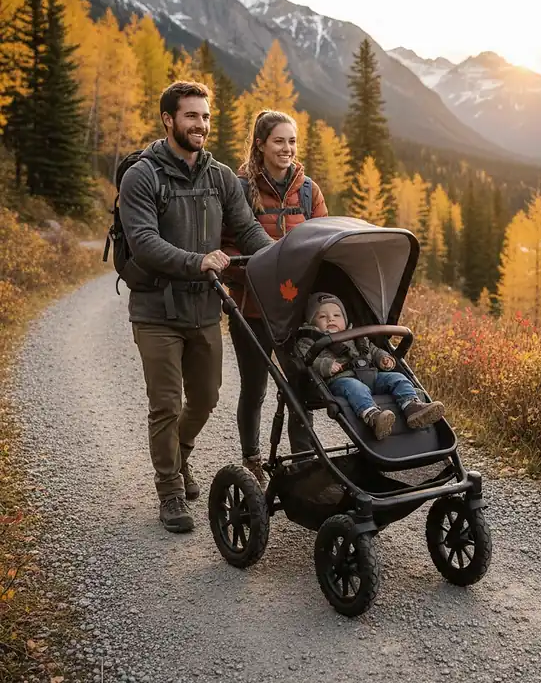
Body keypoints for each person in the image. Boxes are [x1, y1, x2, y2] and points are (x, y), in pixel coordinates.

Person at [119, 81, 273, 534]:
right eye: (192, 116)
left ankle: (180, 455)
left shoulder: (221, 177)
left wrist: (283, 260)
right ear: (169, 120)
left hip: (204, 307)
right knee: (165, 403)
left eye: (206, 117)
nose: (201, 125)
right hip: (155, 309)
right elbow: (143, 243)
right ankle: (168, 490)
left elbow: (247, 231)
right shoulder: (142, 176)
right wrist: (198, 261)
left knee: (206, 398)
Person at [221, 110, 328, 487]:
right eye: (279, 141)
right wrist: (253, 272)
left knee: (300, 383)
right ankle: (252, 460)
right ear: (261, 144)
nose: (287, 149)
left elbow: (322, 244)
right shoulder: (238, 188)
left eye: (292, 141)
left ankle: (303, 466)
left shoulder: (307, 191)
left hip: (296, 311)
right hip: (251, 309)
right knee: (255, 387)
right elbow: (226, 248)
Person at [295, 293, 446, 439]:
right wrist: (327, 365)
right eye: (322, 316)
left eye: (336, 315)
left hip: (372, 376)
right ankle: (374, 418)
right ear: (311, 322)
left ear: (345, 318)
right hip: (342, 380)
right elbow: (308, 359)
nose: (330, 319)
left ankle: (412, 407)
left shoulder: (357, 335)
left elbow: (373, 350)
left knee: (397, 378)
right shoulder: (309, 340)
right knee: (356, 388)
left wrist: (383, 358)